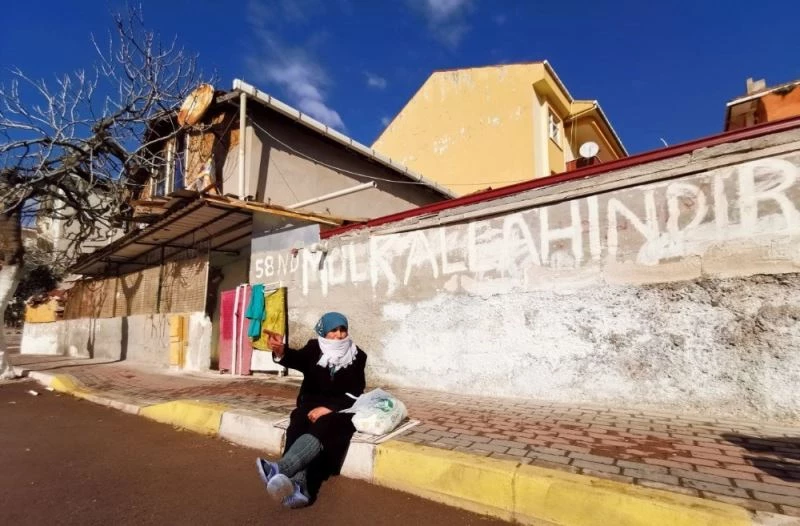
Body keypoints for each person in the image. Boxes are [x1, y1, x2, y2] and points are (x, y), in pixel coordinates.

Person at [255, 312, 367, 508]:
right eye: (333, 330)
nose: (339, 335)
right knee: (299, 419)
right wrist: (281, 350)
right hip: (311, 403)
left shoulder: (358, 356)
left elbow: (356, 392)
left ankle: (281, 468)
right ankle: (300, 489)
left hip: (341, 409)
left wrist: (329, 408)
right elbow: (296, 359)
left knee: (324, 423)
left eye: (342, 330)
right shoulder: (314, 348)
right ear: (324, 331)